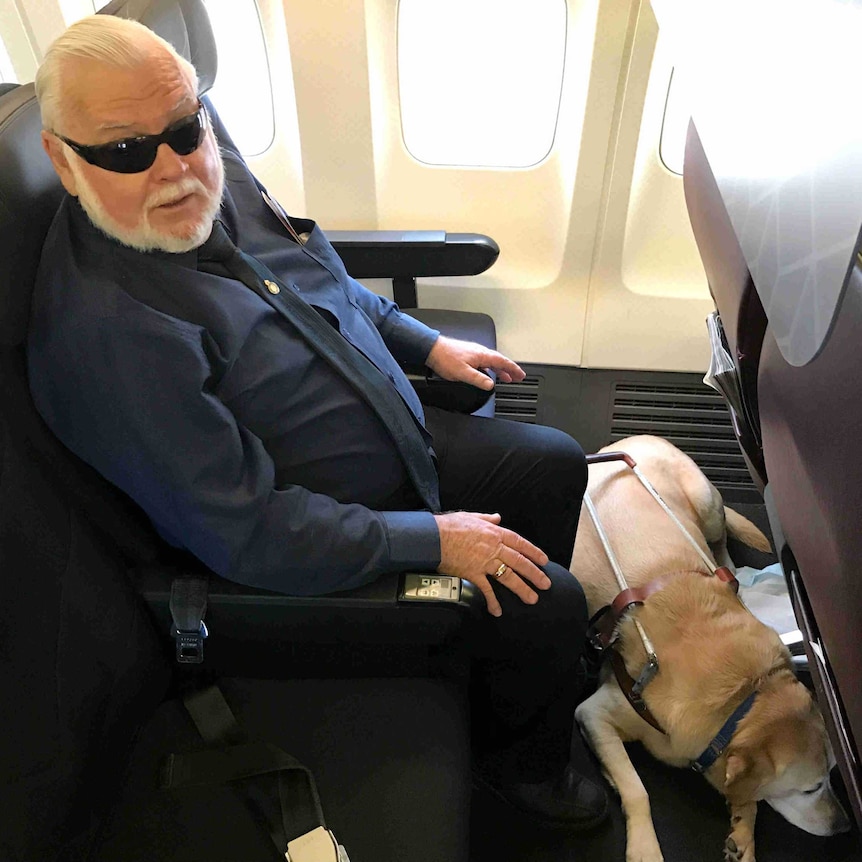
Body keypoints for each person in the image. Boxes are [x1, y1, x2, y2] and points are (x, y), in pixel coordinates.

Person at [28, 14, 606, 830]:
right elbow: (255, 535)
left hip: (392, 440)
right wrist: (433, 540)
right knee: (551, 602)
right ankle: (521, 773)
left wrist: (423, 342)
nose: (175, 166)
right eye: (126, 150)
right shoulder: (112, 337)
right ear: (62, 158)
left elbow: (317, 277)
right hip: (325, 541)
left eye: (186, 128)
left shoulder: (207, 170)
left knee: (551, 463)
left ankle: (507, 675)